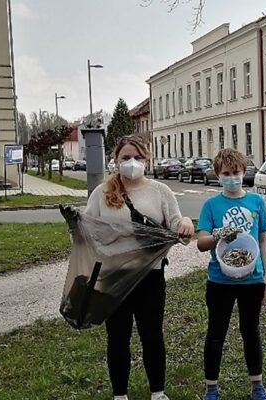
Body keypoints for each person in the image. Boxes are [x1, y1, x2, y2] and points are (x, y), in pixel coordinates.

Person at [83, 135, 195, 400]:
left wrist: (187, 223)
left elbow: (177, 224)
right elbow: (86, 229)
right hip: (115, 277)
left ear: (146, 159)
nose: (132, 162)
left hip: (150, 276)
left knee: (152, 336)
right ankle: (119, 394)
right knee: (118, 338)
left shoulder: (160, 191)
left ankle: (157, 392)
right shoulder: (103, 193)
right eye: (125, 158)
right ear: (116, 160)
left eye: (137, 157)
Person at [196, 148, 266, 400]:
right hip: (220, 279)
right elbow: (201, 242)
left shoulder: (256, 202)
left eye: (236, 172)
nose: (232, 177)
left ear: (244, 172)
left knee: (251, 331)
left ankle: (257, 386)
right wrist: (217, 234)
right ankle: (211, 388)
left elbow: (262, 239)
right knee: (216, 333)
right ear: (218, 174)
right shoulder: (211, 205)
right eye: (226, 173)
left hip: (252, 278)